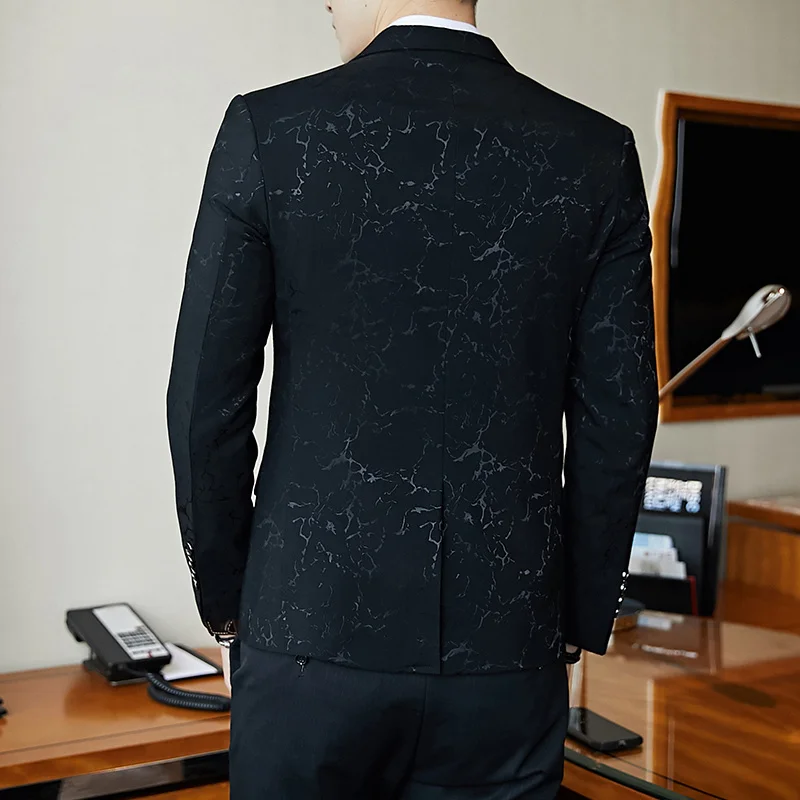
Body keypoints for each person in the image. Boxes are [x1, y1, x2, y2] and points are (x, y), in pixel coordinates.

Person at [166, 0, 659, 797]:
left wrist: (231, 609)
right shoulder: (597, 151)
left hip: (305, 638)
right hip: (508, 652)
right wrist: (570, 617)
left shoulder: (269, 129)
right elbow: (619, 420)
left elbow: (204, 405)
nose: (328, 7)